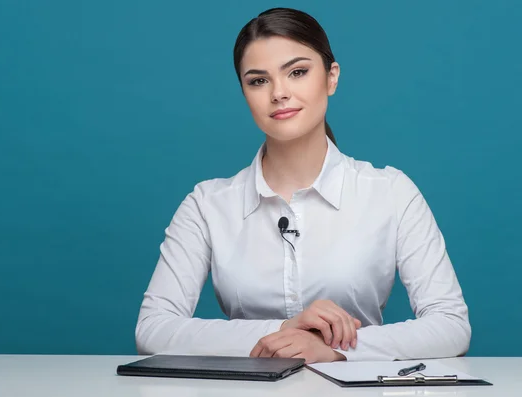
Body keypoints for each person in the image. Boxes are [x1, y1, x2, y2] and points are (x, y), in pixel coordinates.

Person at [135, 7, 471, 363]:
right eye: (258, 80)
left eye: (297, 72)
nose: (279, 93)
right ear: (244, 92)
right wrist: (281, 331)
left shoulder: (391, 192)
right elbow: (153, 329)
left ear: (331, 77)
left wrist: (335, 352)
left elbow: (450, 325)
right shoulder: (207, 204)